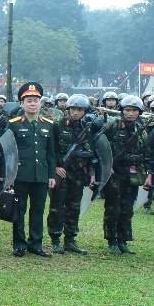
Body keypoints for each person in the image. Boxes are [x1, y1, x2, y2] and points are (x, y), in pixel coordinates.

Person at [8, 81, 58, 257]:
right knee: (19, 210)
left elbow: (51, 153)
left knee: (38, 210)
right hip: (20, 174)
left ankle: (36, 244)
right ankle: (19, 244)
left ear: (41, 103)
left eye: (35, 101)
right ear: (22, 103)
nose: (32, 104)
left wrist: (51, 175)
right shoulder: (14, 124)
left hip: (41, 174)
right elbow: (9, 152)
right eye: (28, 101)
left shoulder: (48, 124)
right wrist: (10, 175)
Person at [101, 94, 153, 255]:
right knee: (113, 208)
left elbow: (147, 154)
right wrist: (106, 166)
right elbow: (100, 145)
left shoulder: (141, 130)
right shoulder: (112, 126)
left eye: (134, 110)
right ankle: (112, 240)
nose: (131, 113)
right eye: (128, 110)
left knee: (127, 208)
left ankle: (123, 240)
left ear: (139, 112)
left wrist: (149, 173)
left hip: (133, 174)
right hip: (115, 173)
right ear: (122, 110)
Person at [45, 94, 97, 255]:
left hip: (78, 173)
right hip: (61, 173)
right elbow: (50, 149)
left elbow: (92, 154)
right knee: (57, 207)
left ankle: (70, 240)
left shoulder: (86, 129)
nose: (76, 113)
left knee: (74, 207)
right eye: (73, 109)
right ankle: (55, 240)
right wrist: (55, 167)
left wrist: (92, 173)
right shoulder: (57, 126)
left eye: (80, 110)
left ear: (85, 111)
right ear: (68, 109)